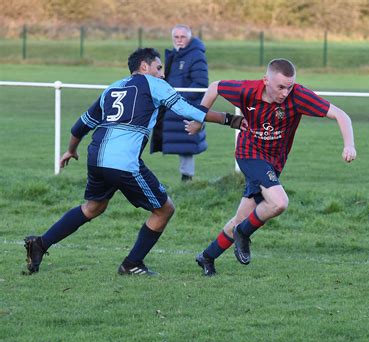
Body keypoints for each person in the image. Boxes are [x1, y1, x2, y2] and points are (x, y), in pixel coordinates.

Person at [23, 47, 244, 276]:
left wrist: (70, 150)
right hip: (123, 161)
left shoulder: (113, 87)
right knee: (164, 209)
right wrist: (230, 119)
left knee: (93, 207)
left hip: (96, 156)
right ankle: (132, 264)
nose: (162, 74)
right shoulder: (153, 84)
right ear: (144, 67)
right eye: (159, 68)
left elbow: (81, 125)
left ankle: (40, 244)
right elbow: (186, 109)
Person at [188, 58, 357, 276]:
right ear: (266, 80)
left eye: (289, 86)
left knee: (242, 217)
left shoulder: (299, 96)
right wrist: (199, 117)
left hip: (274, 162)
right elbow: (215, 87)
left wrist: (349, 144)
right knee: (279, 202)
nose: (285, 92)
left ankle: (207, 257)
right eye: (280, 87)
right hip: (249, 153)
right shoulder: (247, 90)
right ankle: (243, 234)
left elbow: (341, 115)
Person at [150, 24, 208, 182]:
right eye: (176, 37)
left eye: (183, 37)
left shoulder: (196, 55)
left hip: (185, 106)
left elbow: (201, 84)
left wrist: (178, 99)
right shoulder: (175, 54)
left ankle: (187, 178)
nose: (179, 40)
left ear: (190, 37)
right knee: (181, 140)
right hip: (172, 106)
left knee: (186, 141)